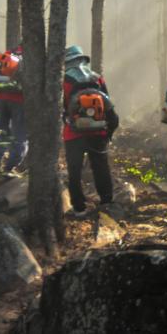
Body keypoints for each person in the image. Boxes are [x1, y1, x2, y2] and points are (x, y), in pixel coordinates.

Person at [62, 45, 119, 216]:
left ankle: (79, 207)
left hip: (73, 133)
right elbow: (109, 109)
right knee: (101, 167)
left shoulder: (64, 80)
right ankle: (106, 201)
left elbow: (62, 107)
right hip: (98, 131)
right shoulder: (97, 78)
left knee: (74, 171)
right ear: (82, 60)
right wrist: (108, 132)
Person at [0, 46, 27, 173]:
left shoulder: (7, 54)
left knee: (2, 134)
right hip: (20, 101)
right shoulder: (33, 58)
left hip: (0, 100)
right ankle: (9, 168)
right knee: (20, 136)